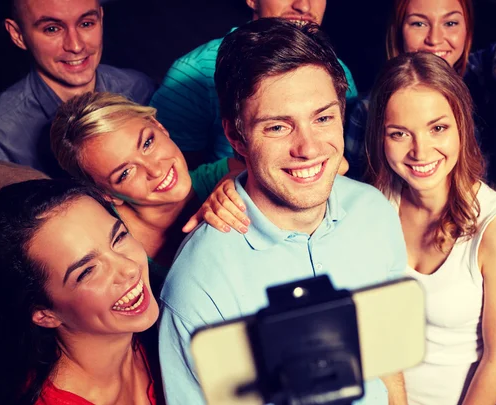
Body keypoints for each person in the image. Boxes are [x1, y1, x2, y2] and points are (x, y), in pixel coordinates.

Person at [158, 19, 408, 405]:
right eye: (277, 127)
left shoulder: (374, 212)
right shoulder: (200, 287)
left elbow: (387, 358)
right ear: (236, 136)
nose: (308, 147)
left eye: (323, 118)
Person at [363, 52, 496, 404]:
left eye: (437, 128)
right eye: (399, 134)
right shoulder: (376, 202)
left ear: (461, 127)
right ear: (381, 136)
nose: (420, 151)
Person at [345, 0, 496, 183]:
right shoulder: (367, 110)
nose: (436, 39)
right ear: (398, 29)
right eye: (419, 23)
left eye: (450, 23)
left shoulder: (478, 72)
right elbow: (355, 196)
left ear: (467, 28)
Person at [0, 179, 163, 405]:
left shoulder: (161, 329)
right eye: (87, 271)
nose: (130, 269)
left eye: (119, 237)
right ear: (45, 315)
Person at [50, 91, 246, 283]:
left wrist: (239, 182)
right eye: (125, 173)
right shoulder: (106, 248)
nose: (155, 170)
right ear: (107, 194)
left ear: (159, 126)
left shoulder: (227, 173)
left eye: (147, 143)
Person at [149, 0, 358, 167]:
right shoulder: (191, 74)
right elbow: (174, 184)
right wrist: (231, 183)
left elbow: (340, 159)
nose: (303, 5)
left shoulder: (337, 69)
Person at [0, 0, 155, 177]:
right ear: (18, 34)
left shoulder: (139, 88)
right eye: (52, 29)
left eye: (86, 24)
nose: (76, 46)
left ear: (101, 18)